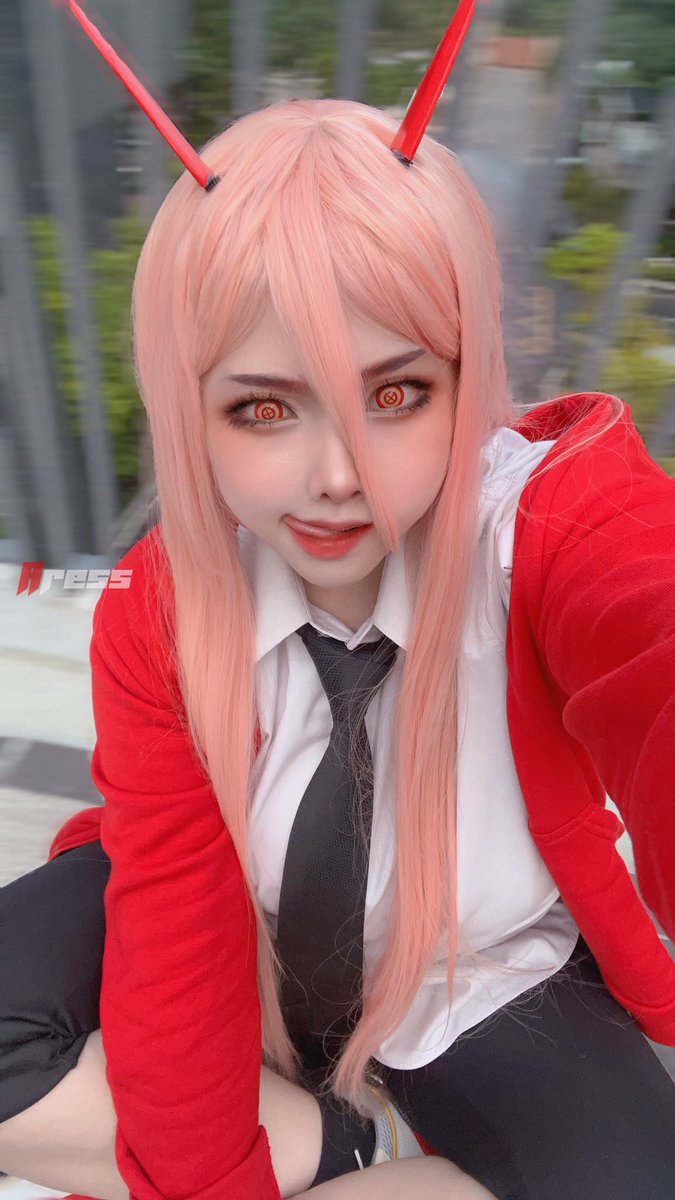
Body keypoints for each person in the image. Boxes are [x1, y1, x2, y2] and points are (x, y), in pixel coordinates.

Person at [2, 65, 675, 1200]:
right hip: (242, 920)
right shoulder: (164, 603)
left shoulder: (553, 531)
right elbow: (176, 921)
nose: (336, 477)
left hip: (479, 973)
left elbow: (649, 624)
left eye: (397, 393)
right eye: (263, 407)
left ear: (465, 372)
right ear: (189, 407)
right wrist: (218, 1178)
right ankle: (358, 1147)